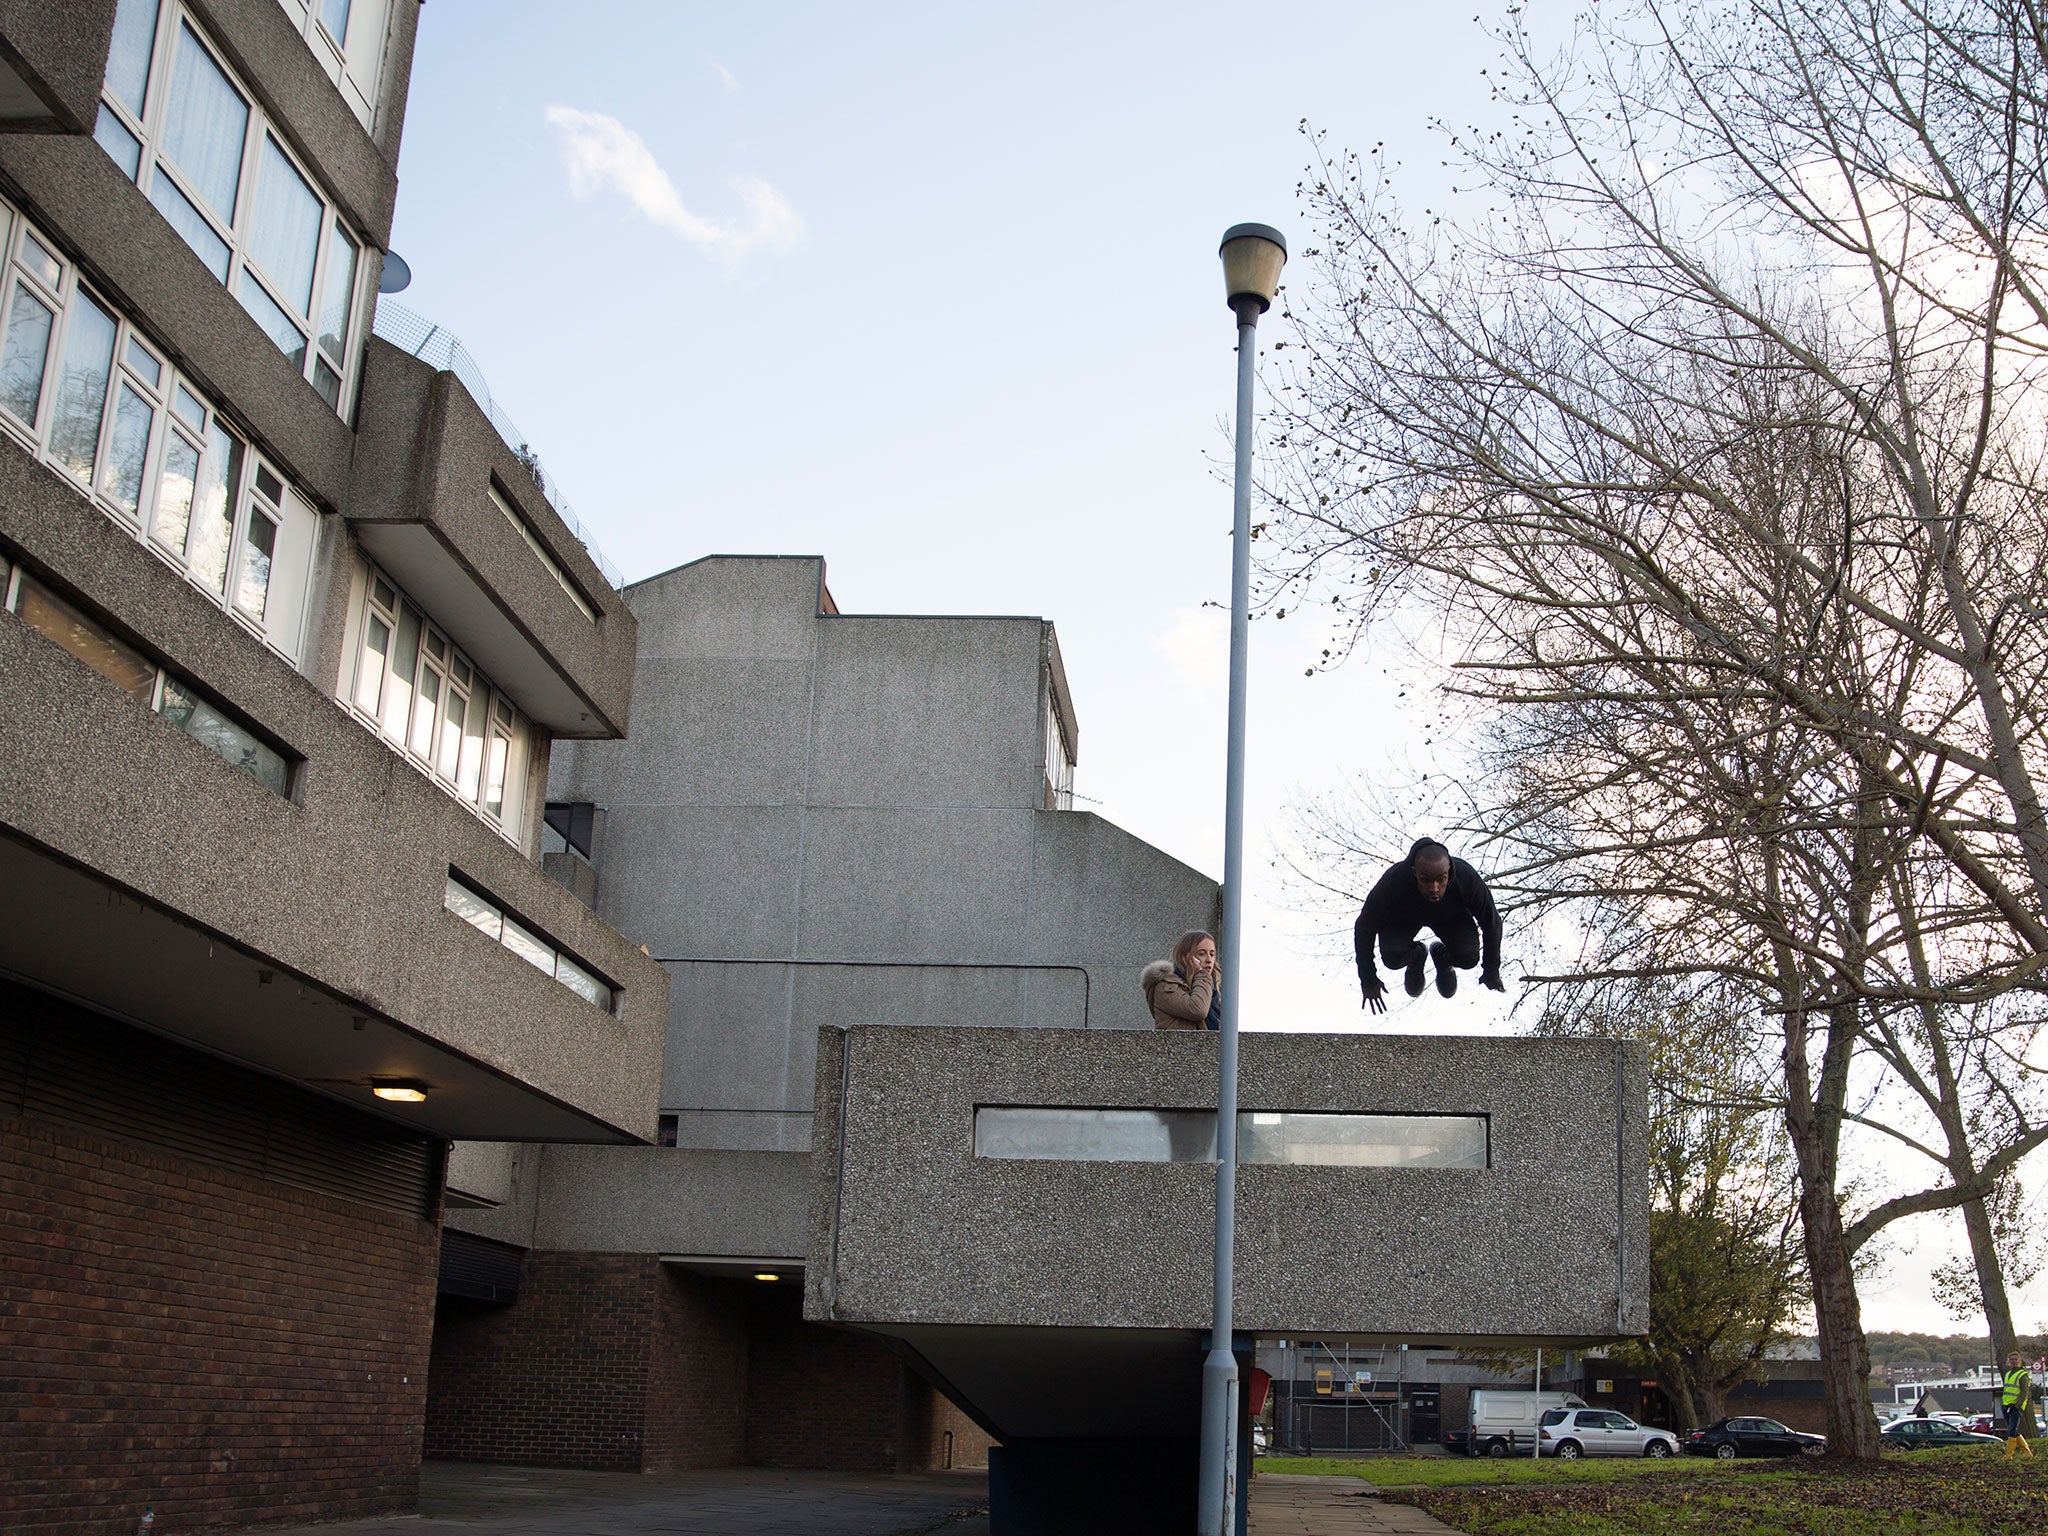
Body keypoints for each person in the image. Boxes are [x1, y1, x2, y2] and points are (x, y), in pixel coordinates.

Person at [1354, 837, 1505, 1013]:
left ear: (1449, 871)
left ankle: (1443, 958)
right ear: (1414, 872)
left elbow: (1492, 923)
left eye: (1441, 879)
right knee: (1391, 957)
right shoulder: (1393, 883)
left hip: (1452, 918)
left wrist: (1491, 970)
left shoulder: (1467, 879)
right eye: (1426, 880)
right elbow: (1364, 928)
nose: (1434, 888)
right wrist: (1368, 979)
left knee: (1469, 957)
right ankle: (1416, 957)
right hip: (1404, 918)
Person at [1142, 930, 1223, 1031]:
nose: (1209, 960)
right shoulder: (1166, 986)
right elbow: (1198, 1010)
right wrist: (1202, 975)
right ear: (1185, 957)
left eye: (1212, 954)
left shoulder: (1215, 990)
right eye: (1201, 954)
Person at [2002, 1350, 2035, 1459]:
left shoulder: (2022, 1375)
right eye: (2012, 1359)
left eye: (2016, 1359)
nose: (2014, 1361)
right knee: (2012, 1430)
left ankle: (2008, 1455)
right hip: (2006, 1405)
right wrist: (2004, 1404)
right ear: (2008, 1361)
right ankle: (2027, 1453)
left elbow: (2024, 1392)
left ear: (2020, 1361)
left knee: (2011, 1430)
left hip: (2015, 1407)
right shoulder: (2008, 1374)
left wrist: (2016, 1405)